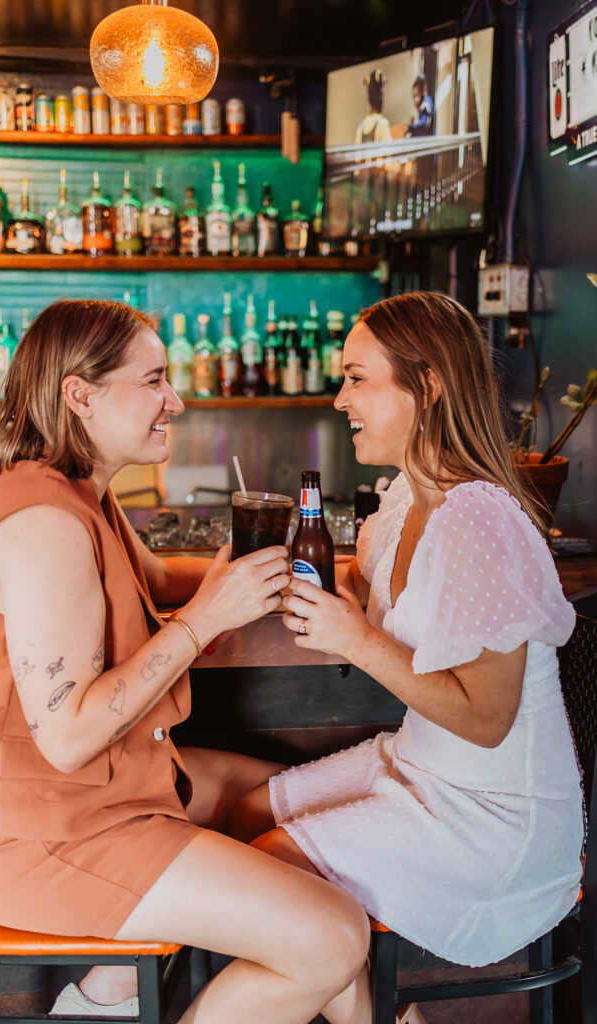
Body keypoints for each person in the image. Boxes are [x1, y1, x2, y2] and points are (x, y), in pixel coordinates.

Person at [0, 299, 375, 1024]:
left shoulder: (79, 491)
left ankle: (106, 991)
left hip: (107, 798)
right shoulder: (44, 528)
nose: (176, 399)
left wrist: (275, 572)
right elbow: (70, 735)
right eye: (154, 380)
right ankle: (111, 987)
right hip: (40, 839)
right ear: (80, 394)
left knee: (308, 809)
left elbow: (156, 579)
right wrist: (208, 620)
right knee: (332, 935)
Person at [233, 292, 583, 1003]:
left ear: (426, 386)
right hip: (416, 767)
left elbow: (485, 721)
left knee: (270, 876)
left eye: (357, 378)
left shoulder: (478, 520)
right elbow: (360, 594)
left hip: (493, 818)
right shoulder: (401, 504)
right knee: (242, 818)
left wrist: (355, 638)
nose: (338, 399)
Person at [355, 69, 392, 145]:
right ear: (381, 96)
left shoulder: (361, 127)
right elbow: (389, 154)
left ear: (368, 99)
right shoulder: (382, 123)